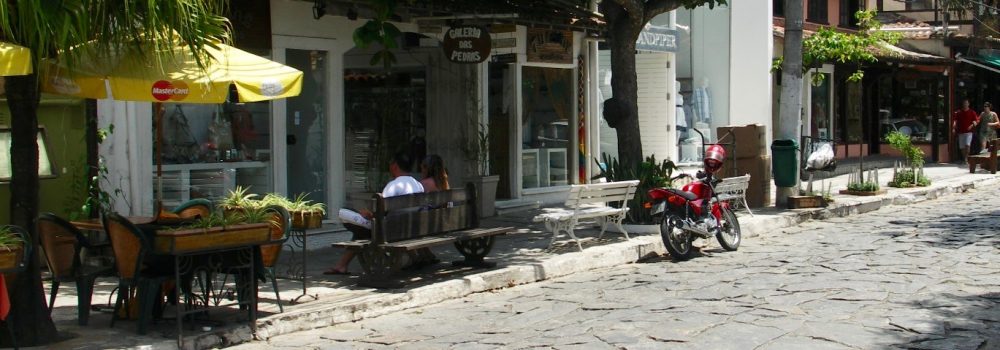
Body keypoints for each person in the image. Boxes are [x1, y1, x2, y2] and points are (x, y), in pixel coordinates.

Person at [325, 151, 424, 275]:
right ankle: (341, 266)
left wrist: (367, 214)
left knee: (357, 227)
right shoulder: (418, 184)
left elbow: (379, 210)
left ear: (394, 166)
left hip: (390, 231)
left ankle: (342, 266)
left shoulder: (394, 185)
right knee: (361, 230)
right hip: (410, 228)